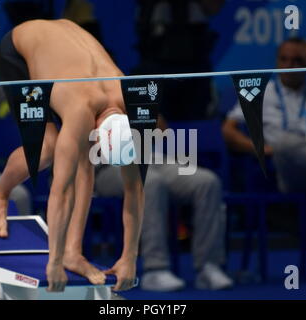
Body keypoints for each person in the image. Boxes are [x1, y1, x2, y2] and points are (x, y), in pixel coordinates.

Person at [0, 19, 144, 293]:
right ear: (97, 132)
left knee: (84, 160)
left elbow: (135, 189)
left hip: (67, 55)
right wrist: (53, 262)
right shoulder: (81, 109)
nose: (99, 157)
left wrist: (130, 258)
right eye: (101, 151)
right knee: (46, 148)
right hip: (20, 52)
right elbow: (62, 190)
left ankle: (73, 252)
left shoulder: (135, 104)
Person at [95, 115, 234, 291]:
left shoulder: (134, 88)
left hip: (150, 157)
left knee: (207, 182)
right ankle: (155, 269)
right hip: (107, 165)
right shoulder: (84, 90)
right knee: (151, 183)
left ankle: (208, 266)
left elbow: (161, 129)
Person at [222, 38, 306, 194]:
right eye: (284, 59)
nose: (289, 65)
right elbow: (228, 130)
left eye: (297, 60)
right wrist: (259, 149)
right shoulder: (260, 92)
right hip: (286, 167)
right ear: (277, 61)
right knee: (285, 143)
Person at [134, 0, 225, 121]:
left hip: (194, 61)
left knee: (195, 122)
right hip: (155, 59)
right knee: (152, 121)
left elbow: (214, 7)